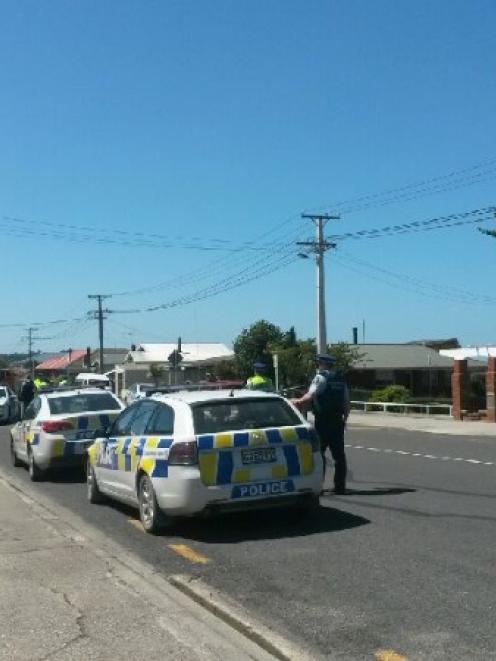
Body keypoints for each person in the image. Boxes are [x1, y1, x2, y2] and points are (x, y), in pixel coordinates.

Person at [291, 354, 350, 494]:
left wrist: (297, 401)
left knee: (319, 453)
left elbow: (310, 395)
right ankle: (340, 487)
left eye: (317, 363)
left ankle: (319, 486)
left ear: (322, 364)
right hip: (337, 420)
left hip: (323, 421)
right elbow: (347, 402)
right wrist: (345, 420)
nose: (316, 365)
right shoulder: (340, 379)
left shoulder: (320, 378)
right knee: (339, 456)